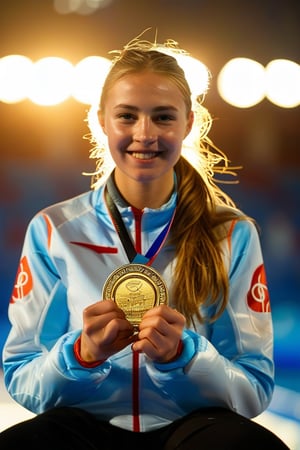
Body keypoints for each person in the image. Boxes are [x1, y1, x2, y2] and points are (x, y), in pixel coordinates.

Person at [0, 33, 288, 449]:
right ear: (101, 121)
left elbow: (254, 389)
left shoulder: (231, 233)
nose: (145, 133)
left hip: (192, 427)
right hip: (85, 426)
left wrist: (185, 357)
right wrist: (81, 354)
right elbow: (22, 377)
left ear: (189, 123)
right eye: (128, 116)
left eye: (164, 117)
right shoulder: (54, 229)